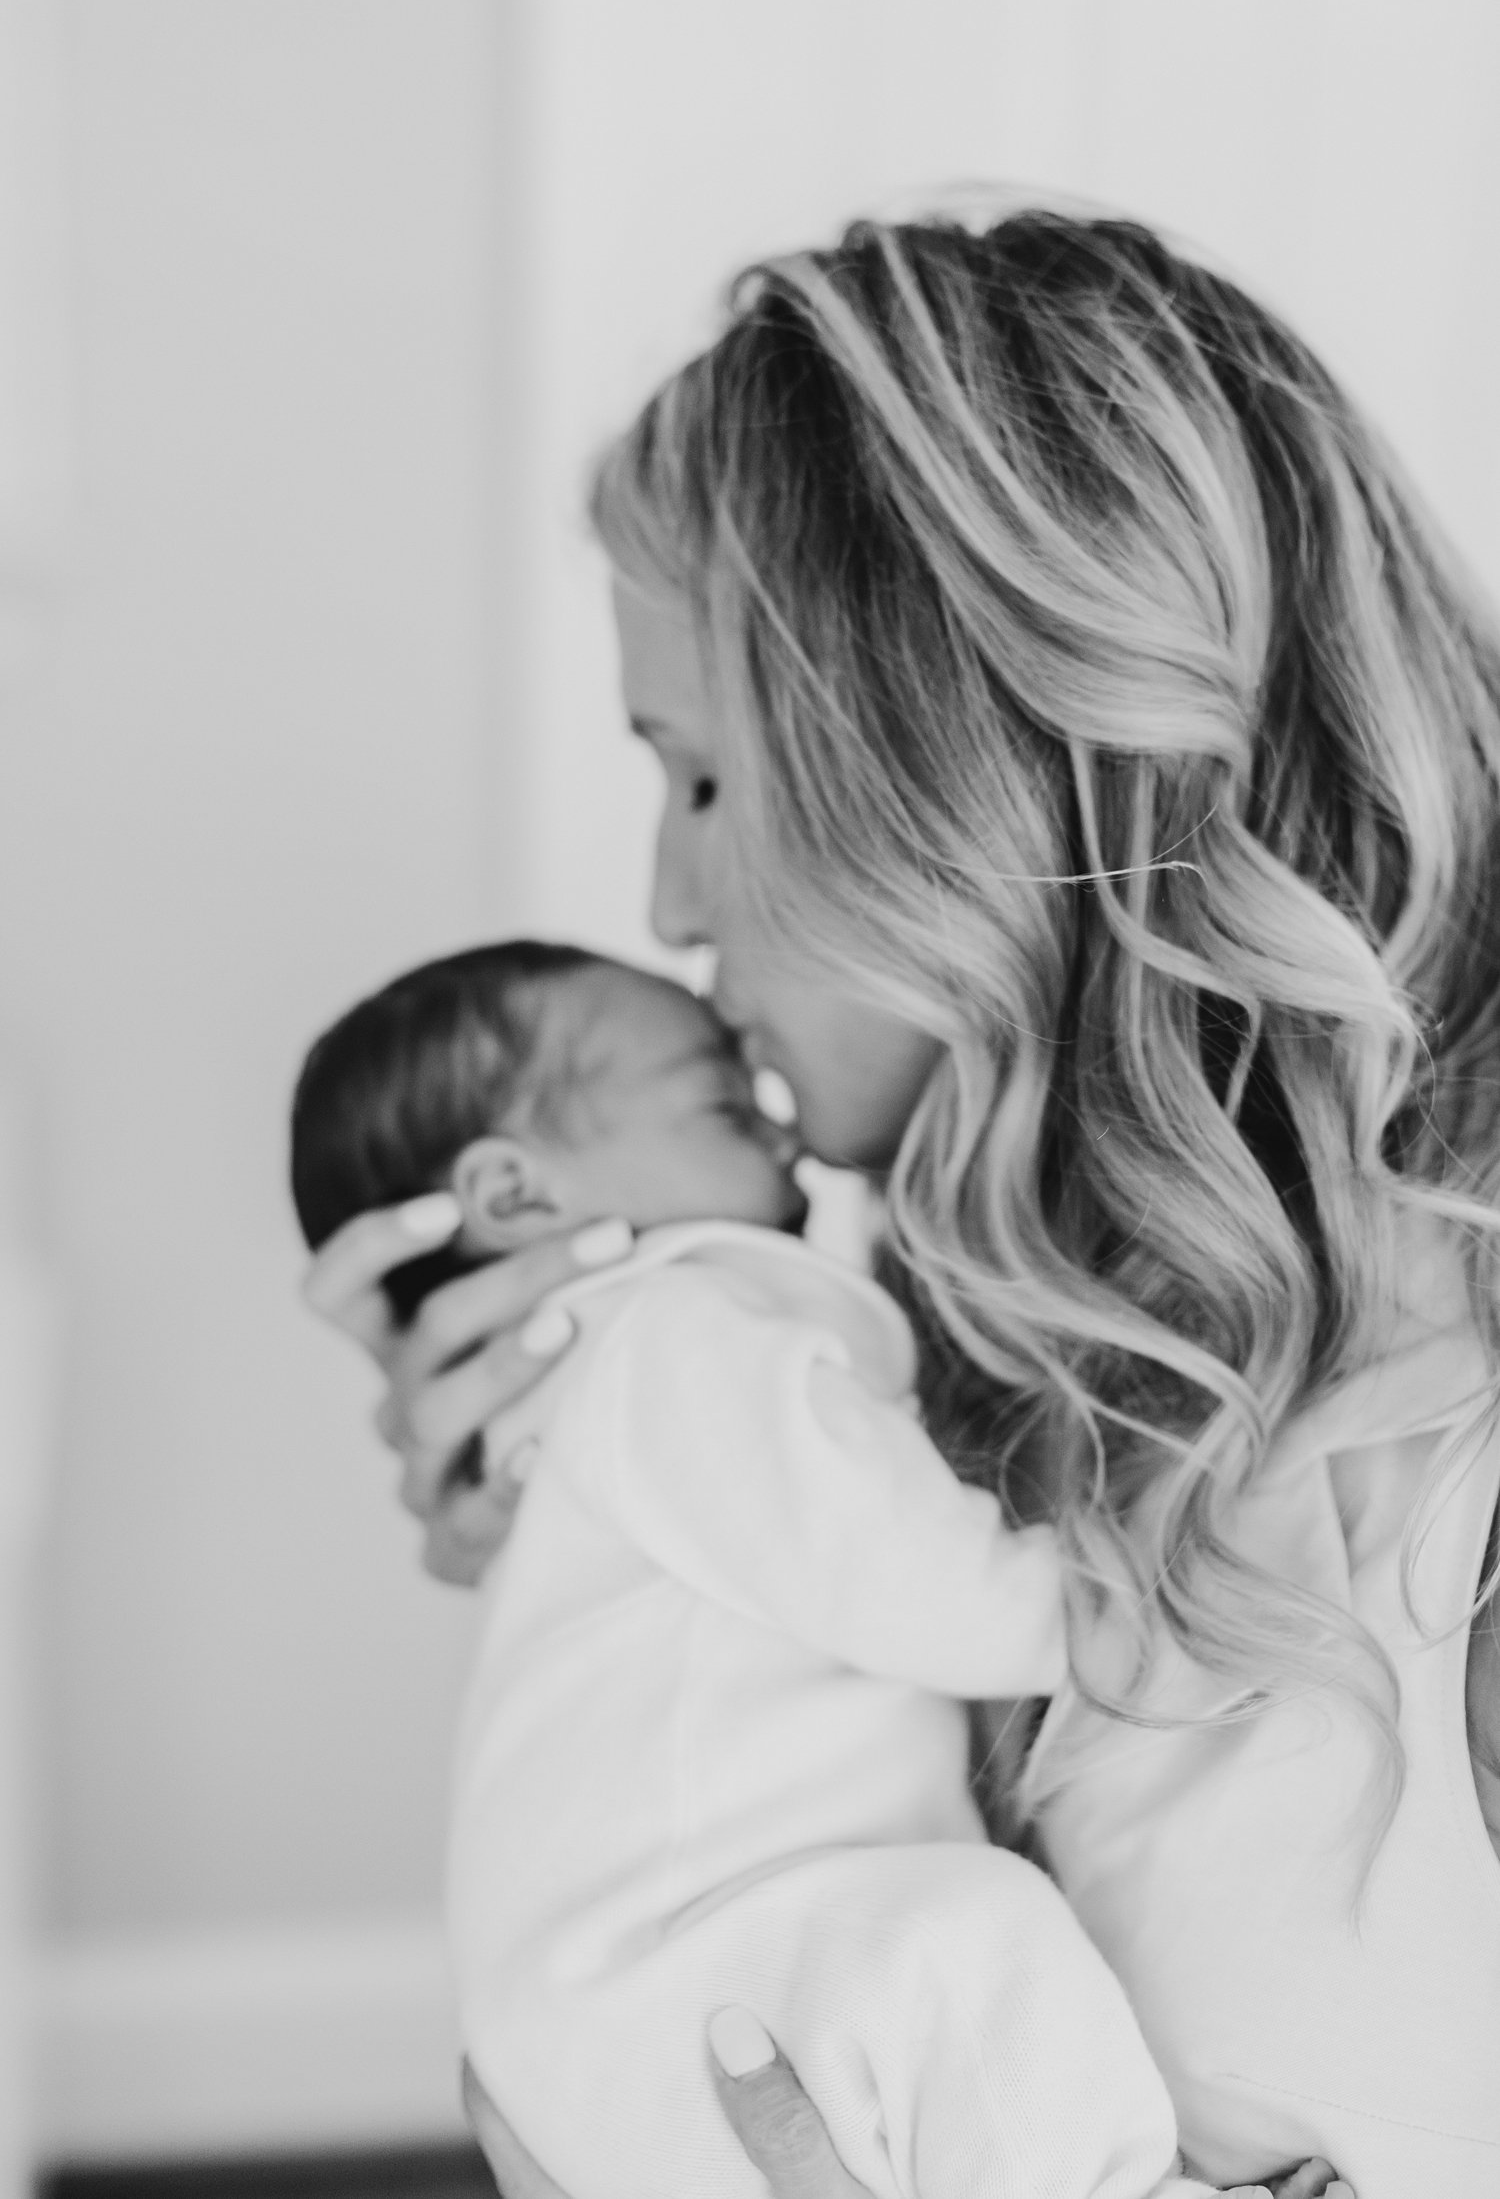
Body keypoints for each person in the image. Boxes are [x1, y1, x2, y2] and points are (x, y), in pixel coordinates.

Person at [303, 206, 1500, 2196]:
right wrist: (604, 1584)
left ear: (953, 779)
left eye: (698, 782)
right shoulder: (977, 1340)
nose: (670, 910)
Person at [291, 938, 1217, 2198]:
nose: (783, 1141)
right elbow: (943, 1596)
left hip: (655, 2023)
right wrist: (1174, 1585)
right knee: (969, 1949)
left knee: (966, 1970)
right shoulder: (673, 1340)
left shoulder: (604, 1396)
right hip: (703, 1984)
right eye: (727, 1106)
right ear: (514, 1194)